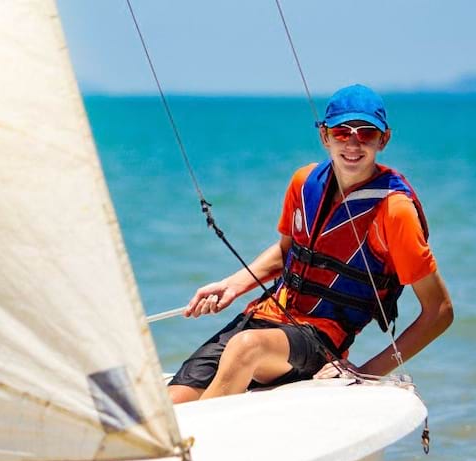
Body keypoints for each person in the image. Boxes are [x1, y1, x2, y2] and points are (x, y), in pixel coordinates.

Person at [168, 84, 453, 404]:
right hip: (265, 318)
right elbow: (288, 254)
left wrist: (367, 372)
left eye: (367, 133)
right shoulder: (304, 183)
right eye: (342, 132)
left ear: (383, 140)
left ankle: (196, 451)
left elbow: (439, 311)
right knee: (167, 403)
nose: (354, 143)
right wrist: (233, 285)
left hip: (320, 342)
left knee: (245, 348)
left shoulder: (395, 210)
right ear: (325, 137)